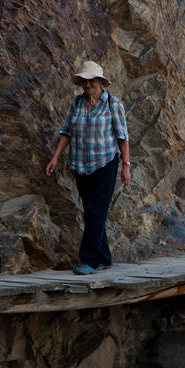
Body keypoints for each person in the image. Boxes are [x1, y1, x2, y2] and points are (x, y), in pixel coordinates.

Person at [45, 60, 130, 274]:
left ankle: (90, 260)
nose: (88, 84)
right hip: (80, 164)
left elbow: (123, 138)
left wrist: (126, 167)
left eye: (92, 80)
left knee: (95, 212)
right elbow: (67, 131)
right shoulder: (77, 102)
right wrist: (55, 157)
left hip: (105, 163)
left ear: (100, 81)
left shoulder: (113, 104)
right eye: (84, 80)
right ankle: (105, 257)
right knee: (91, 213)